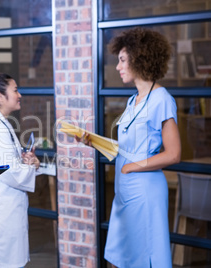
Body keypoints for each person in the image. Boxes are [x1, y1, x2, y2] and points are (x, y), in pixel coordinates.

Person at [77, 27, 181, 267]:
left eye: (122, 60)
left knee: (142, 258)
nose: (118, 66)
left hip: (145, 191)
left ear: (139, 59)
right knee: (121, 256)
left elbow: (174, 154)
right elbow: (124, 148)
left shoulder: (162, 99)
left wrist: (132, 167)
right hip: (125, 192)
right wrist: (92, 141)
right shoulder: (132, 100)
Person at [0, 73, 40, 268]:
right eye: (15, 90)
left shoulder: (2, 123)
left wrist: (24, 160)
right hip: (3, 212)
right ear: (0, 97)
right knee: (3, 261)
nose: (19, 94)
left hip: (10, 208)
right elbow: (10, 172)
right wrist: (31, 165)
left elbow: (8, 162)